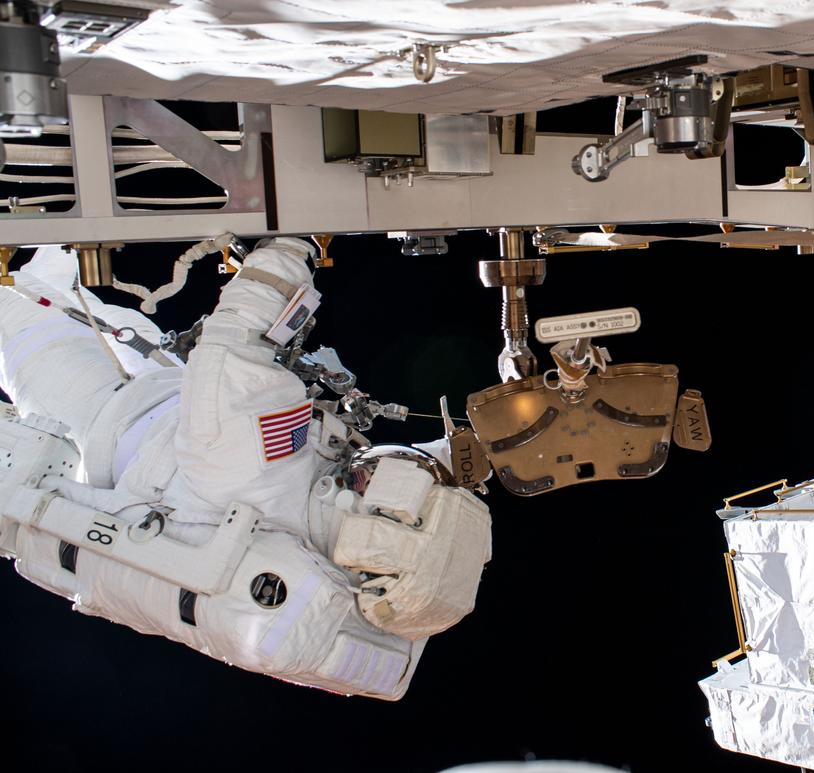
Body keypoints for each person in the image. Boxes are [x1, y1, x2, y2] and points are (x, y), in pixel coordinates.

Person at [0, 237, 491, 699]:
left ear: (367, 508)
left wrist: (287, 246)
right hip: (168, 402)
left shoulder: (254, 466)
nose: (387, 463)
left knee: (20, 319)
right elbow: (426, 472)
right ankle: (52, 262)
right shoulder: (344, 561)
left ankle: (38, 265)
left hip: (104, 412)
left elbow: (236, 339)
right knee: (69, 299)